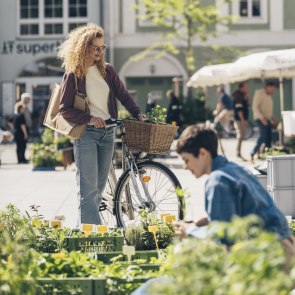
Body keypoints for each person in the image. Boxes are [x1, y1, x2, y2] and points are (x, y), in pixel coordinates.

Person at [57, 23, 145, 227]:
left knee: (98, 187)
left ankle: (84, 232)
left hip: (108, 134)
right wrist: (89, 119)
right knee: (88, 190)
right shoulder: (74, 74)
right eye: (96, 47)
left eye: (102, 48)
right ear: (84, 48)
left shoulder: (108, 71)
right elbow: (64, 109)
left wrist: (139, 114)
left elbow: (124, 95)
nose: (99, 52)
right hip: (87, 134)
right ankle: (96, 236)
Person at [174, 124, 295, 267]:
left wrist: (190, 231)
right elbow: (237, 213)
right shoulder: (234, 169)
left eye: (186, 160)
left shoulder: (218, 180)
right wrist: (203, 221)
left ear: (202, 153)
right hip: (284, 246)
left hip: (270, 255)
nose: (185, 167)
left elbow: (223, 236)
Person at [250, 81, 277, 162]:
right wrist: (262, 118)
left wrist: (273, 119)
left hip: (267, 119)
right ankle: (252, 153)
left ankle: (267, 155)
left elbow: (268, 111)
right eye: (272, 89)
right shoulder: (259, 94)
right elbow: (255, 107)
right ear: (268, 87)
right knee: (263, 136)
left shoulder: (268, 96)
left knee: (269, 138)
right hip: (260, 119)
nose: (273, 91)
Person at [232, 81, 249, 160]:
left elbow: (248, 104)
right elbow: (239, 110)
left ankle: (238, 152)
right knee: (241, 135)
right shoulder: (238, 96)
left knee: (242, 134)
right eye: (245, 87)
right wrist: (243, 120)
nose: (247, 88)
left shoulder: (243, 95)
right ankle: (238, 152)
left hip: (242, 118)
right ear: (242, 87)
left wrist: (247, 95)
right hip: (239, 119)